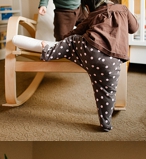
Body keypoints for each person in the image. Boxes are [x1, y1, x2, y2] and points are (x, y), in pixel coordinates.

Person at [38, 0, 137, 131]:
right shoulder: (123, 10)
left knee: (72, 41)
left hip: (92, 52)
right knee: (107, 92)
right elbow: (134, 28)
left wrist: (64, 40)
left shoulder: (94, 13)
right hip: (114, 60)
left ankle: (48, 52)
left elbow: (77, 31)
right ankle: (105, 123)